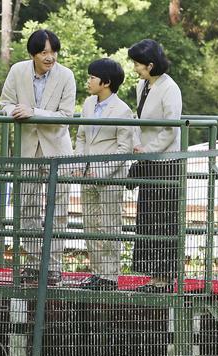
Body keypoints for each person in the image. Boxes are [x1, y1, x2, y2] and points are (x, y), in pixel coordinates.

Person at [0, 28, 76, 285]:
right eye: (44, 52)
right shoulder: (18, 71)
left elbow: (67, 115)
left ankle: (53, 267)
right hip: (27, 150)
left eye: (53, 52)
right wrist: (15, 111)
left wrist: (34, 112)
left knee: (57, 211)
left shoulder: (66, 76)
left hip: (56, 150)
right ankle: (34, 264)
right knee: (27, 208)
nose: (50, 57)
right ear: (33, 53)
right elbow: (5, 103)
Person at [73, 58, 135, 291]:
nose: (88, 81)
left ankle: (110, 276)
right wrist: (79, 164)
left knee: (109, 224)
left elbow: (124, 148)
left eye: (92, 77)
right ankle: (96, 273)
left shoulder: (122, 110)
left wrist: (100, 171)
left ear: (106, 82)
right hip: (86, 173)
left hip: (110, 177)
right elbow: (81, 137)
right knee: (89, 224)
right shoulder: (88, 104)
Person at [127, 39, 183, 293]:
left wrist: (148, 149)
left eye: (138, 64)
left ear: (150, 64)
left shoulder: (170, 88)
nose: (135, 68)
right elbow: (140, 120)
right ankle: (153, 277)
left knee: (164, 219)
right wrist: (140, 148)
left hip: (166, 162)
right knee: (148, 218)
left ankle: (164, 279)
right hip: (148, 158)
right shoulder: (143, 85)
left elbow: (171, 129)